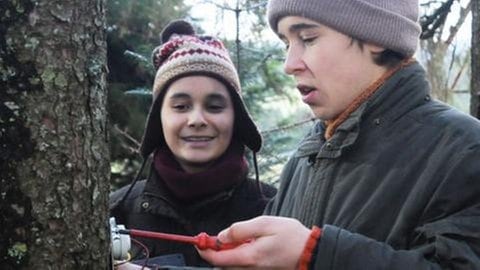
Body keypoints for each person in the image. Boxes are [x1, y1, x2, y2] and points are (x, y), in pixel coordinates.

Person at [199, 0, 480, 269]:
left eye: (307, 38)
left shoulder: (465, 150)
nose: (289, 64)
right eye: (286, 44)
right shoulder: (306, 155)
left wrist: (315, 254)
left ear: (376, 35)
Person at [109, 20, 276, 268]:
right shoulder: (118, 211)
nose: (197, 120)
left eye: (214, 106)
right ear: (159, 119)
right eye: (180, 106)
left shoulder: (273, 211)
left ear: (237, 119)